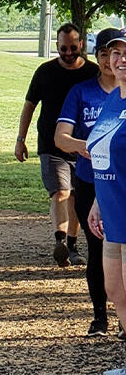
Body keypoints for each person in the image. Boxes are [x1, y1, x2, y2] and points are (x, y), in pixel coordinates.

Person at [55, 28, 122, 336]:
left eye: (119, 54)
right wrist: (89, 147)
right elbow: (61, 138)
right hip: (92, 184)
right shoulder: (86, 93)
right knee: (100, 255)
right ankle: (101, 318)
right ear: (97, 58)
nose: (113, 61)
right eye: (106, 54)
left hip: (120, 189)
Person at [16, 23, 99, 267]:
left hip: (84, 146)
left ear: (81, 45)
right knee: (61, 192)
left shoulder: (92, 73)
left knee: (75, 196)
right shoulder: (45, 72)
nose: (69, 53)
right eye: (63, 48)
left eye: (73, 47)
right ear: (57, 47)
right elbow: (29, 106)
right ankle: (60, 241)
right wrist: (21, 140)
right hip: (51, 145)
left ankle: (72, 245)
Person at [86, 28, 126, 375]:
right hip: (112, 211)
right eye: (116, 53)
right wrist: (98, 200)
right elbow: (104, 156)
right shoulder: (113, 100)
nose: (122, 59)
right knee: (115, 289)